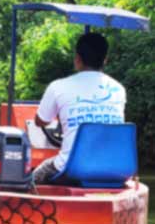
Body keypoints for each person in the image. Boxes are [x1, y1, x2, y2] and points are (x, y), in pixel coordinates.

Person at [33, 33, 126, 184]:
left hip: (72, 169)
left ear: (77, 58)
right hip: (115, 168)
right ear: (105, 60)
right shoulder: (119, 89)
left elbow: (40, 121)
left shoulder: (58, 87)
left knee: (34, 177)